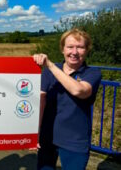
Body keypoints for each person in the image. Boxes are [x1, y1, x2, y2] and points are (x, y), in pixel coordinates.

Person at [33, 28, 101, 170]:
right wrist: (34, 133)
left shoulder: (92, 73)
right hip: (47, 137)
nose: (74, 52)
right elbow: (40, 101)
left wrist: (50, 65)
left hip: (75, 141)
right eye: (70, 47)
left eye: (80, 47)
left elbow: (78, 90)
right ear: (62, 49)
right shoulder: (48, 72)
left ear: (87, 50)